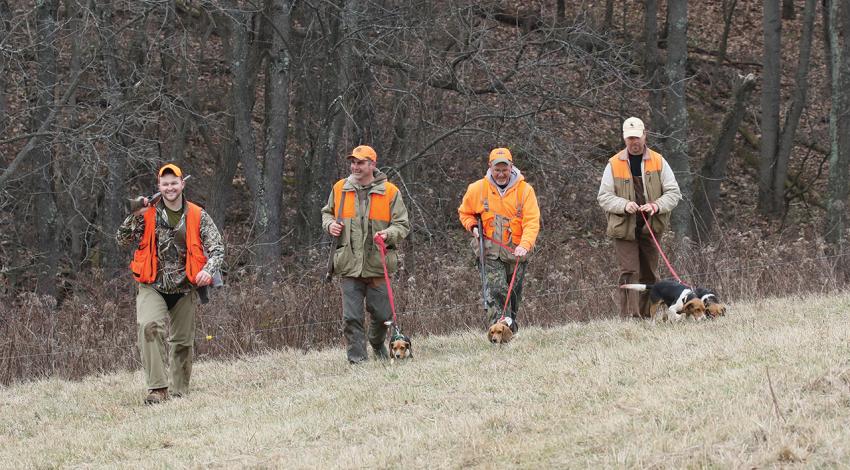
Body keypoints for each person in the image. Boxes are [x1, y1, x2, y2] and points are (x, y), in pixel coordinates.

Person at [116, 164, 224, 404]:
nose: (170, 187)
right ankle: (157, 389)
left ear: (182, 184)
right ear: (159, 187)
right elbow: (122, 240)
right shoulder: (147, 212)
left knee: (183, 342)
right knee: (148, 326)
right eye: (165, 184)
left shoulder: (198, 214)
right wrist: (135, 215)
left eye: (174, 182)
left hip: (185, 287)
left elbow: (217, 248)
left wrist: (208, 271)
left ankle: (179, 393)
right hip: (152, 285)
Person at [321, 145, 410, 364]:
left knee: (382, 317)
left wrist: (388, 234)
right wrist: (330, 225)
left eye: (360, 162)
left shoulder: (390, 191)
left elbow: (402, 225)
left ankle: (377, 343)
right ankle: (357, 361)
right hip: (348, 266)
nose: (355, 166)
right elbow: (326, 213)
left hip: (378, 265)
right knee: (351, 318)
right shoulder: (340, 188)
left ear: (372, 164)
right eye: (353, 162)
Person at [597, 117, 681, 318]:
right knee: (629, 271)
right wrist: (624, 205)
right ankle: (629, 317)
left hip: (651, 226)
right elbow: (604, 197)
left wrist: (656, 205)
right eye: (629, 138)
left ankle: (647, 315)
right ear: (624, 139)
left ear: (645, 135)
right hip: (624, 228)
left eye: (637, 137)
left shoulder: (659, 161)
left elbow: (674, 193)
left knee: (650, 273)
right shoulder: (613, 163)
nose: (633, 142)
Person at [458, 148, 540, 332]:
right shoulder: (476, 189)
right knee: (497, 292)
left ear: (512, 167)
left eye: (505, 169)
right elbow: (465, 212)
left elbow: (532, 221)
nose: (501, 174)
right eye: (497, 170)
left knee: (514, 296)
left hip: (516, 253)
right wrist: (473, 226)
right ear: (490, 167)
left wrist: (525, 245)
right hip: (490, 252)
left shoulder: (525, 191)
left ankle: (510, 330)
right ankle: (498, 334)